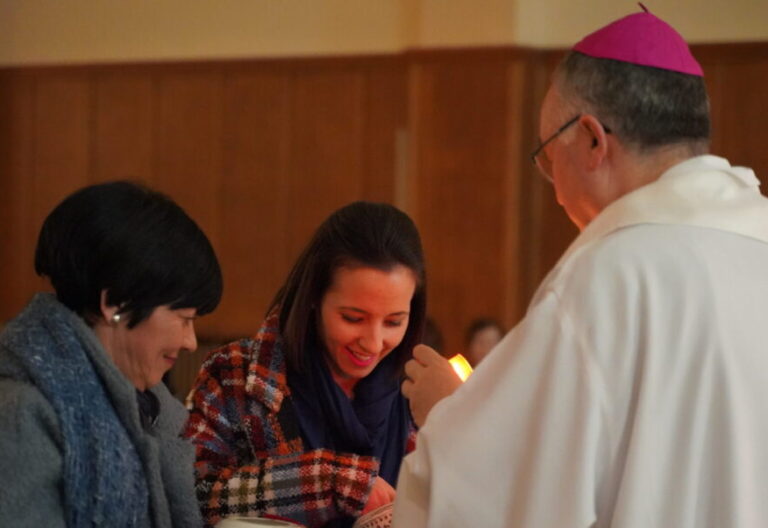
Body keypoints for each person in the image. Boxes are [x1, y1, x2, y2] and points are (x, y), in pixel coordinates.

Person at [394, 7, 768, 528]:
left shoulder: (608, 275)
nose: (553, 185)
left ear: (592, 140)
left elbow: (510, 498)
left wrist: (445, 417)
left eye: (548, 155)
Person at [184, 201, 426, 528]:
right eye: (352, 318)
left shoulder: (419, 393)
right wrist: (331, 482)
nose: (372, 342)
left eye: (394, 322)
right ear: (314, 297)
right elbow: (193, 496)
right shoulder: (236, 375)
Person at [0, 181, 223, 526]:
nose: (191, 342)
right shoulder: (21, 415)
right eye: (184, 319)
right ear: (115, 303)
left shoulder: (147, 410)